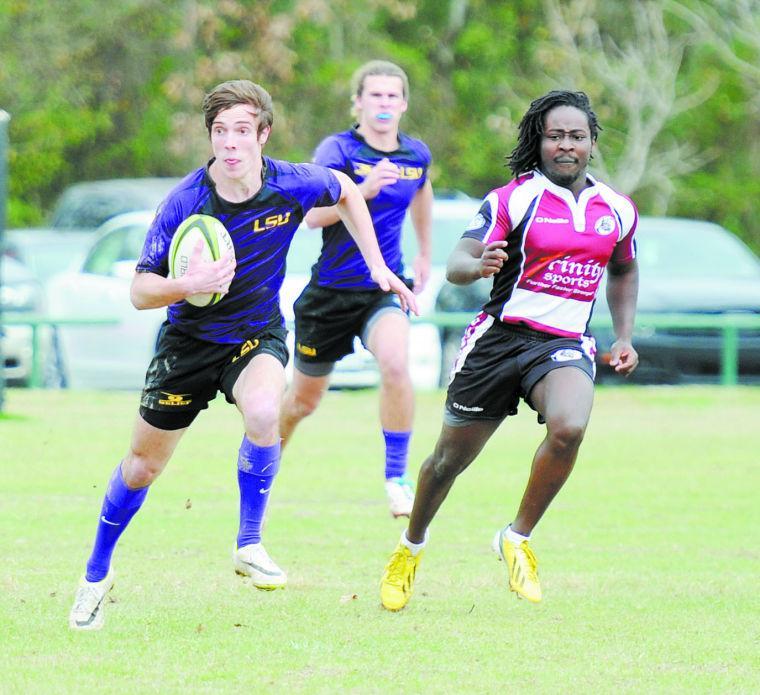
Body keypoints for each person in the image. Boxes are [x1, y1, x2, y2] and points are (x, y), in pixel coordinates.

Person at [68, 79, 416, 630]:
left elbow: (348, 192)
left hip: (256, 334)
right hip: (187, 345)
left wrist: (376, 266)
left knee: (263, 413)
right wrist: (190, 283)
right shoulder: (185, 201)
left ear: (264, 135)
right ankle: (94, 575)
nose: (230, 144)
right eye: (220, 131)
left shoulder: (290, 183)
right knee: (142, 467)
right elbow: (139, 291)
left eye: (241, 131)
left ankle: (249, 543)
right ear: (210, 137)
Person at [379, 90, 640, 611]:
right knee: (447, 461)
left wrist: (625, 335)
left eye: (577, 136)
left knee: (569, 427)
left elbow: (625, 269)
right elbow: (458, 259)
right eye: (555, 136)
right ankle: (410, 547)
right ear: (538, 142)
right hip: (499, 342)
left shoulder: (616, 209)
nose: (566, 145)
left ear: (591, 143)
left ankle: (516, 538)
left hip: (563, 344)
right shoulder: (512, 199)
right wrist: (476, 267)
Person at [279, 60, 433, 518]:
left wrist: (424, 251)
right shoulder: (338, 150)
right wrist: (361, 191)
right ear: (358, 102)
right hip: (330, 292)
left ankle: (396, 479)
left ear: (403, 104)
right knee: (303, 402)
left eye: (392, 96)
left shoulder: (415, 156)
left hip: (383, 286)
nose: (384, 104)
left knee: (395, 362)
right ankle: (262, 467)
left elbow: (422, 191)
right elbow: (312, 216)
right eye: (375, 95)